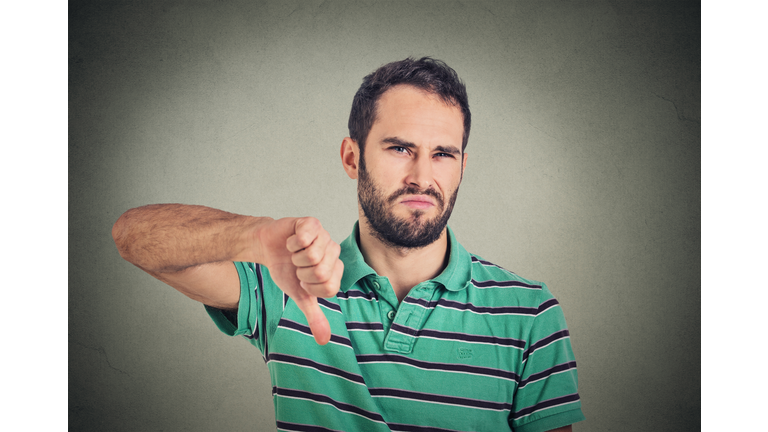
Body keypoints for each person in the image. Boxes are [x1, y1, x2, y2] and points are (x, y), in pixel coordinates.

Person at [112, 57, 585, 432]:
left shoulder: (530, 313)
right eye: (400, 148)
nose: (423, 177)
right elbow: (133, 236)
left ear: (462, 165)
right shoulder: (287, 281)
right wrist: (254, 235)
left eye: (443, 154)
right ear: (352, 157)